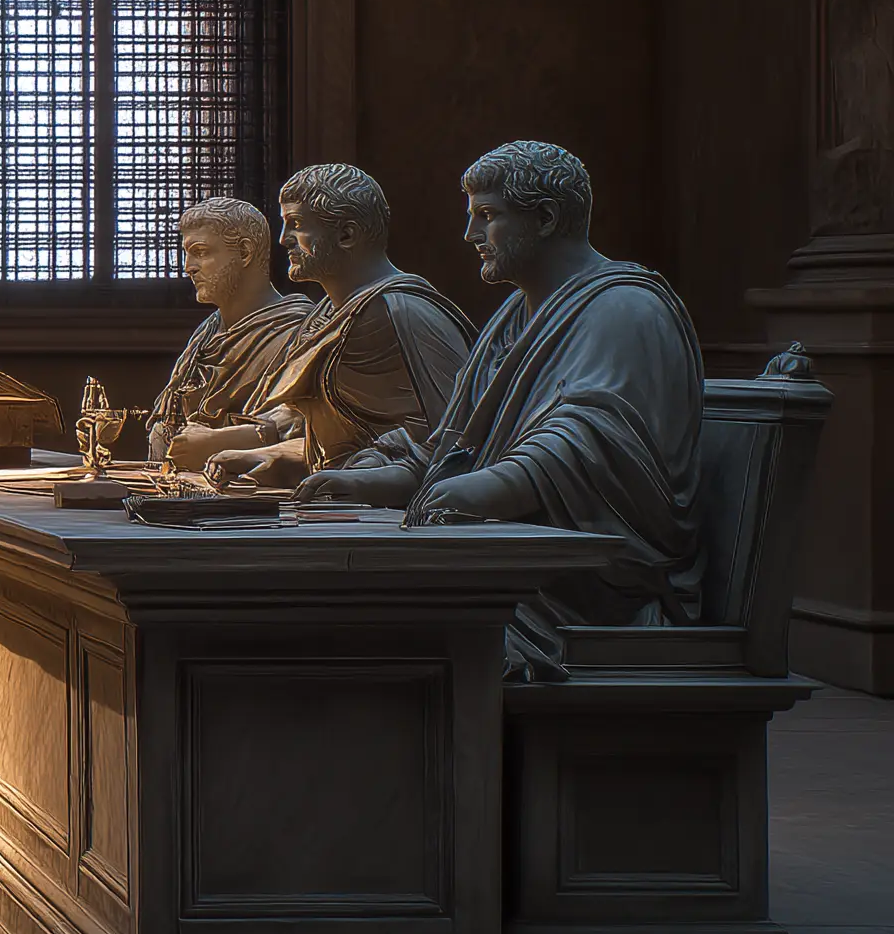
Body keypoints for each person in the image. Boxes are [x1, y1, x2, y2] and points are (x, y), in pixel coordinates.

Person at [295, 142, 705, 679]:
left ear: (546, 218)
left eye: (486, 217)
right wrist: (383, 479)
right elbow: (459, 445)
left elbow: (583, 446)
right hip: (515, 561)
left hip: (590, 591)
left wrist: (477, 490)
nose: (469, 235)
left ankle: (447, 758)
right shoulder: (515, 315)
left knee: (377, 618)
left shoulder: (625, 308)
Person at [203, 163, 474, 488]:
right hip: (335, 505)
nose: (283, 239)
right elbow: (337, 442)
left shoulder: (408, 313)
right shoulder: (323, 317)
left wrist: (362, 480)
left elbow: (459, 442)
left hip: (393, 520)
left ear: (347, 234)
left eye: (297, 224)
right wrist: (276, 457)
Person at [145, 196, 312, 469]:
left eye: (200, 252)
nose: (189, 267)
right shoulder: (205, 335)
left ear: (245, 252)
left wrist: (229, 439)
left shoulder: (301, 331)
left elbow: (314, 426)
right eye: (187, 254)